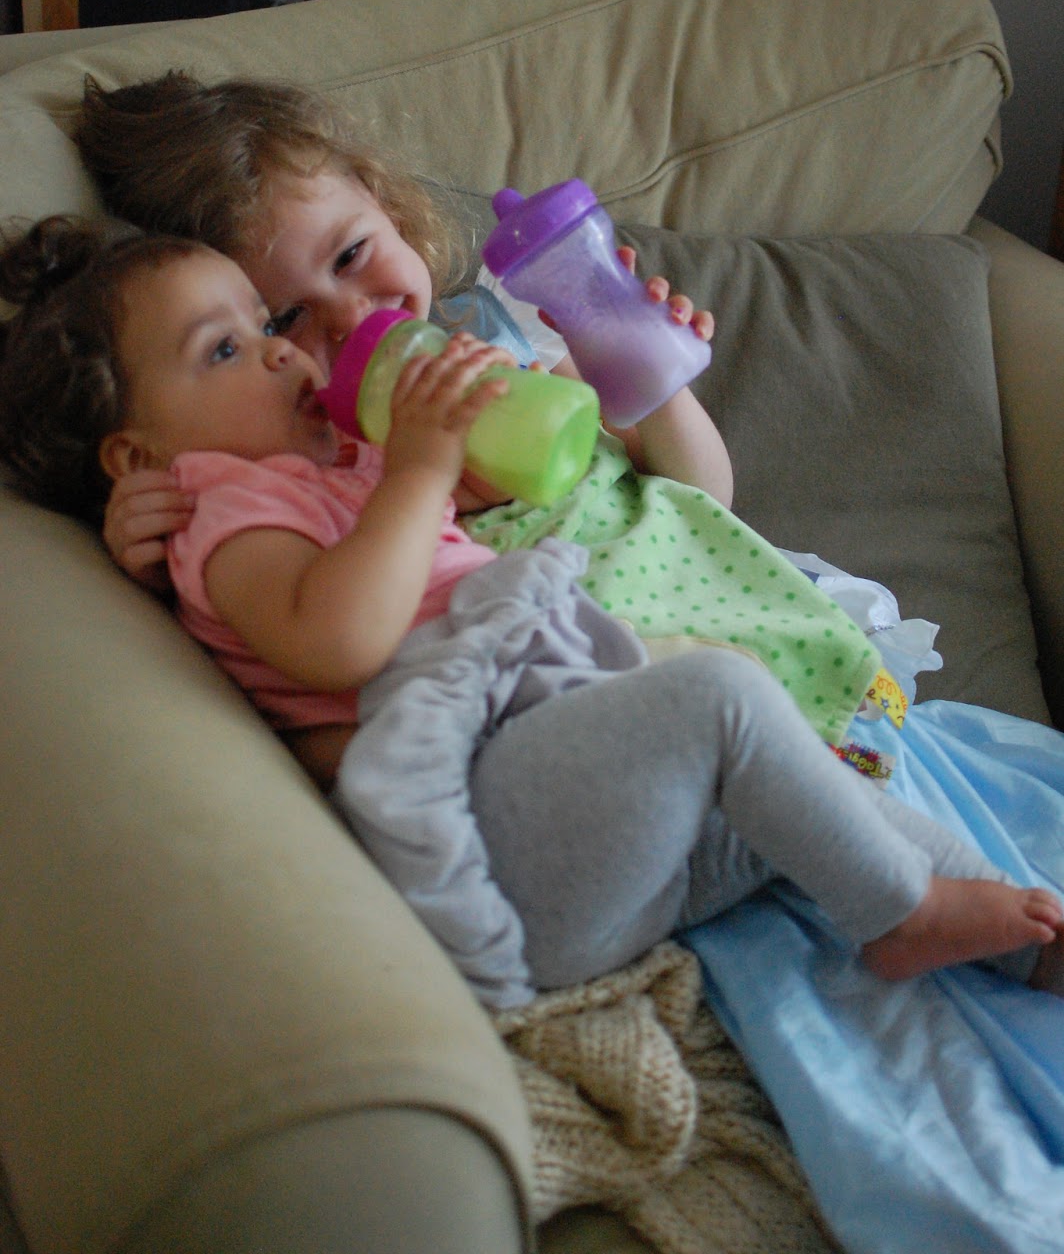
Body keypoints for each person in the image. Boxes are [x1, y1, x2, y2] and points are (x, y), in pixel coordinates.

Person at [2, 214, 1062, 1011]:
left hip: (604, 824)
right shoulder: (229, 516)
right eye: (225, 349)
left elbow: (518, 485)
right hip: (509, 850)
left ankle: (1026, 941)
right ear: (137, 454)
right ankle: (906, 913)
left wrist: (490, 412)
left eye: (260, 323)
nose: (284, 350)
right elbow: (340, 638)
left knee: (812, 772)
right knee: (718, 695)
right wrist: (417, 470)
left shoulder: (340, 462)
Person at [76, 71, 732, 594]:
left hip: (724, 596)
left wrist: (651, 379)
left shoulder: (503, 335)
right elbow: (276, 588)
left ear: (386, 205)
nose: (351, 317)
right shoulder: (297, 448)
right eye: (284, 318)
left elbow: (706, 501)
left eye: (350, 256)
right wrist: (161, 550)